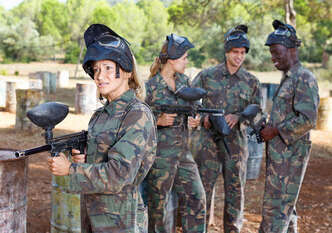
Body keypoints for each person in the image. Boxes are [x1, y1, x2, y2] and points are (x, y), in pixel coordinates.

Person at [46, 24, 157, 232]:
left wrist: (70, 169)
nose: (99, 75)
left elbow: (119, 175)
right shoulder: (100, 115)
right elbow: (101, 158)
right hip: (92, 214)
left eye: (107, 68)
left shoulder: (136, 114)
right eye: (96, 69)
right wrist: (85, 158)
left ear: (125, 71)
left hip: (120, 221)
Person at [191, 25, 262, 232]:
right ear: (226, 52)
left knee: (235, 191)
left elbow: (258, 112)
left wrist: (238, 117)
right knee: (203, 188)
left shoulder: (251, 82)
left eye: (242, 53)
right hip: (207, 141)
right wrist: (204, 116)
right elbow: (191, 102)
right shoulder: (207, 75)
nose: (239, 57)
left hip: (236, 142)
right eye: (235, 52)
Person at [259, 20, 319, 233]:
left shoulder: (304, 78)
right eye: (271, 53)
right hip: (280, 158)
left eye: (276, 52)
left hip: (290, 160)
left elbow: (308, 119)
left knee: (275, 212)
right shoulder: (288, 78)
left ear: (292, 50)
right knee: (286, 210)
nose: (273, 57)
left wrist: (275, 130)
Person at [145, 33, 206, 233]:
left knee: (197, 198)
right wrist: (158, 121)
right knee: (158, 209)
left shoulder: (185, 82)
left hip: (184, 154)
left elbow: (193, 109)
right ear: (171, 59)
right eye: (184, 58)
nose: (187, 62)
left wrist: (194, 120)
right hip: (160, 158)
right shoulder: (149, 88)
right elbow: (136, 123)